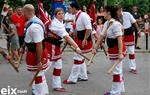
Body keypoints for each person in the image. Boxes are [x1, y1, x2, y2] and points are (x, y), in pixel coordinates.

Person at [92, 6, 126, 95]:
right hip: (112, 49)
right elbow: (101, 36)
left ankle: (115, 92)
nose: (103, 14)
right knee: (118, 70)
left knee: (116, 71)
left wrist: (120, 53)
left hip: (117, 49)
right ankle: (120, 89)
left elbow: (119, 39)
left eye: (104, 12)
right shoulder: (107, 23)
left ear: (109, 13)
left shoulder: (116, 24)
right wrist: (95, 47)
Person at [47, 8, 81, 92]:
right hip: (50, 47)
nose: (61, 15)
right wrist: (76, 47)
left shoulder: (59, 22)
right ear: (55, 15)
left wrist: (63, 43)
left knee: (58, 65)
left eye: (62, 13)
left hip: (56, 46)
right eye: (59, 13)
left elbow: (64, 36)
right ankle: (37, 85)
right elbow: (66, 36)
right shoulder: (56, 24)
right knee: (44, 67)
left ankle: (56, 85)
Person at [63, 2, 93, 84]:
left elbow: (89, 28)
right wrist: (67, 37)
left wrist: (85, 39)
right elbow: (75, 28)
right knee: (80, 58)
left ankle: (72, 79)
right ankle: (83, 76)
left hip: (83, 40)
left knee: (77, 59)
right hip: (78, 39)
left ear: (74, 8)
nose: (68, 9)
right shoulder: (76, 16)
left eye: (70, 8)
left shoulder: (83, 15)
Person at [23, 4, 49, 95]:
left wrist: (39, 61)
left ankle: (40, 93)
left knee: (38, 77)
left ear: (27, 12)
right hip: (37, 51)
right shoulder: (36, 20)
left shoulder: (34, 26)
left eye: (23, 12)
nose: (23, 14)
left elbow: (38, 44)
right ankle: (44, 92)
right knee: (41, 75)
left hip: (36, 53)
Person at [116, 5, 141, 74]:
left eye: (118, 10)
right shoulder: (115, 17)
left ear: (120, 10)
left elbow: (134, 22)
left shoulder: (127, 14)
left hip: (129, 34)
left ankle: (133, 68)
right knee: (121, 52)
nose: (117, 12)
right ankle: (118, 68)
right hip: (121, 35)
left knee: (131, 52)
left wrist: (138, 31)